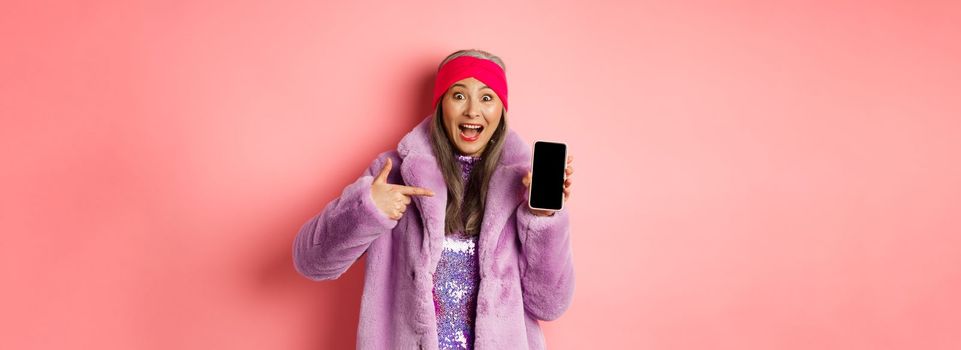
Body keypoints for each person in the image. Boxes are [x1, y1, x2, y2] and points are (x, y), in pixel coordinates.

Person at [292, 49, 575, 350]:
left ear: (501, 111)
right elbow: (310, 262)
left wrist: (542, 219)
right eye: (459, 95)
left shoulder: (522, 187)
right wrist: (367, 209)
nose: (472, 111)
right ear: (441, 105)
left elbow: (549, 305)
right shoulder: (392, 174)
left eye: (487, 97)